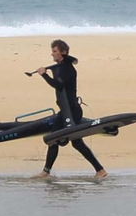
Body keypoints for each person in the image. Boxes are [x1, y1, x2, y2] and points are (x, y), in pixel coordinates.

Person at [31, 39, 107, 179]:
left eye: (54, 51)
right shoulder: (61, 67)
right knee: (66, 140)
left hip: (71, 111)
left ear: (63, 52)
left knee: (59, 139)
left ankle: (46, 172)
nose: (52, 54)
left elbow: (58, 85)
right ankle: (99, 170)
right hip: (66, 111)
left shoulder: (67, 69)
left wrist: (44, 75)